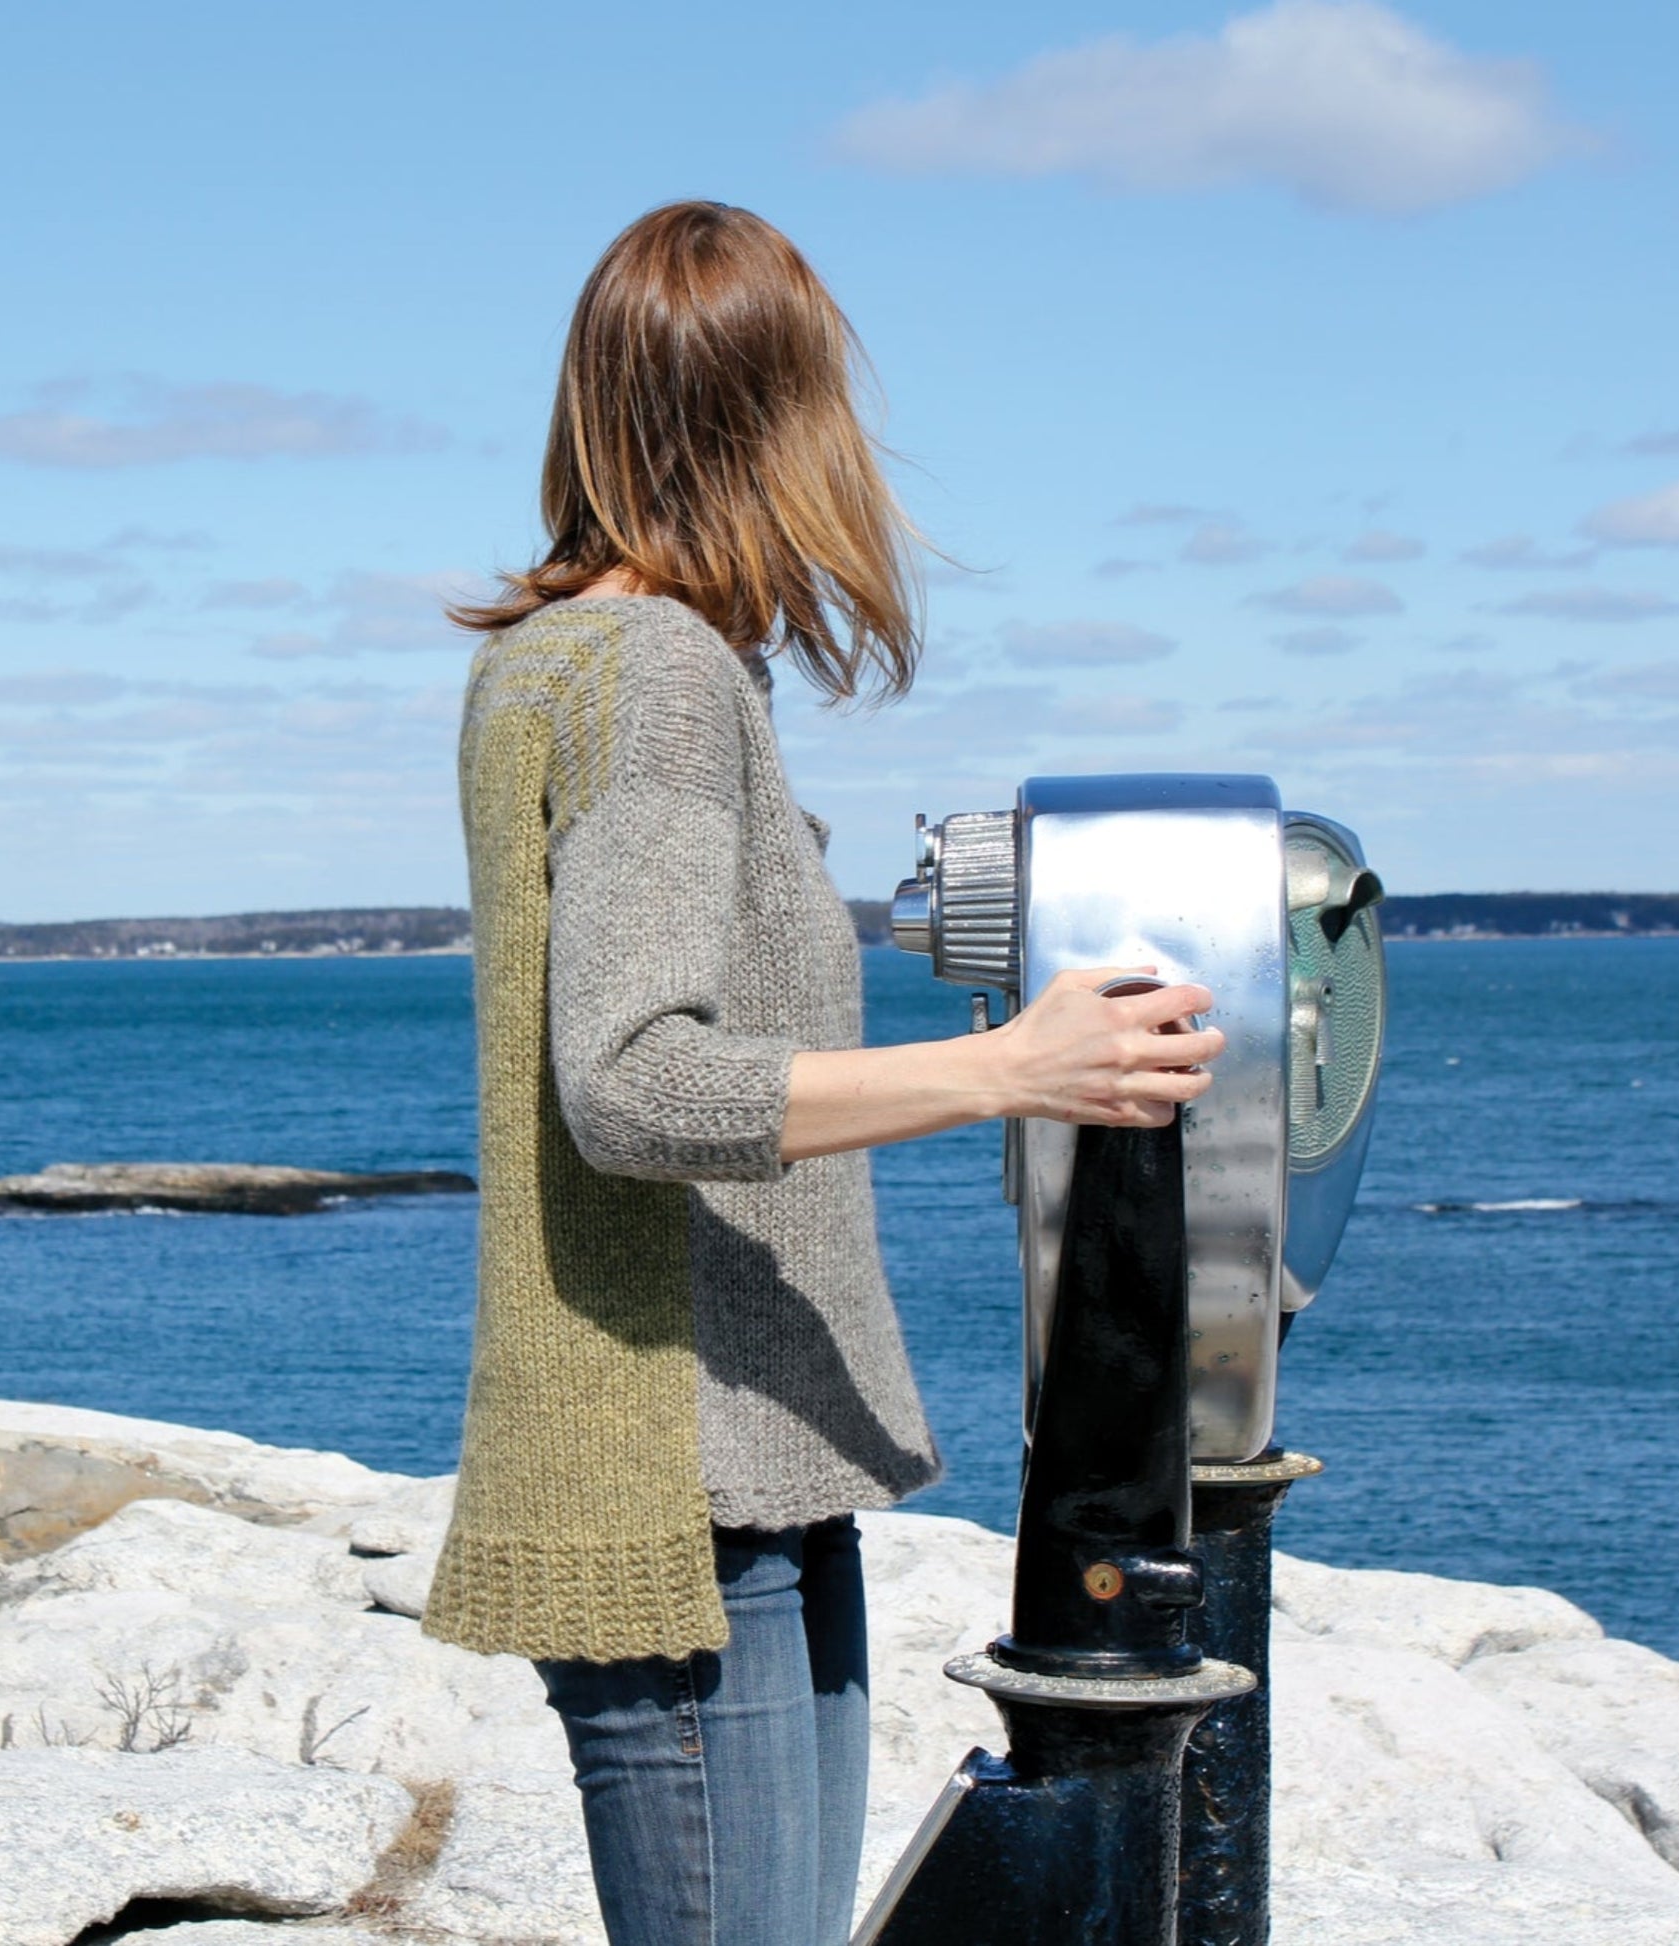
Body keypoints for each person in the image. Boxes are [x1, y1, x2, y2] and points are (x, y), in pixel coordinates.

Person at [420, 200, 1224, 1946]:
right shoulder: (654, 675)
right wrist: (1012, 1066)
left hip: (730, 1472)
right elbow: (627, 1084)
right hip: (685, 1492)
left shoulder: (551, 664)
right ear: (775, 422)